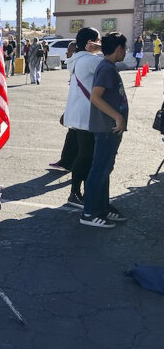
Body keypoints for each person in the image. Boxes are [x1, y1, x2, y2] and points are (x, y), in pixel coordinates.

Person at [80, 32, 129, 228]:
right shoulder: (107, 69)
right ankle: (90, 212)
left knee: (104, 169)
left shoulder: (107, 65)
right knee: (99, 170)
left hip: (111, 130)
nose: (126, 52)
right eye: (124, 48)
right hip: (106, 128)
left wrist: (100, 48)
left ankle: (101, 207)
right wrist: (117, 117)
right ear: (119, 49)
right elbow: (95, 97)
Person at [62, 27, 103, 208]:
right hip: (86, 115)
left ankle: (79, 192)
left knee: (84, 155)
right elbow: (114, 63)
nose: (100, 44)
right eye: (98, 40)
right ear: (90, 43)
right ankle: (75, 194)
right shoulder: (89, 60)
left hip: (80, 113)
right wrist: (100, 50)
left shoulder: (78, 59)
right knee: (85, 156)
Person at [50, 41, 79, 171]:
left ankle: (70, 163)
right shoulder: (74, 68)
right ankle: (66, 161)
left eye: (70, 51)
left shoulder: (79, 69)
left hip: (80, 112)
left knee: (76, 138)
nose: (67, 53)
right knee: (72, 136)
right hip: (76, 110)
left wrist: (67, 113)